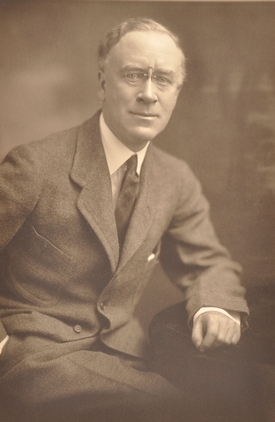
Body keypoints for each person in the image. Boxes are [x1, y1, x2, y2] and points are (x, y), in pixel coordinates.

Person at [0, 18, 249, 422]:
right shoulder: (35, 165)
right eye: (133, 75)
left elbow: (208, 261)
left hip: (127, 349)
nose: (148, 94)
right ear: (102, 83)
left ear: (177, 93)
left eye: (163, 80)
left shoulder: (175, 178)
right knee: (190, 411)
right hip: (36, 358)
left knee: (240, 392)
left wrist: (215, 308)